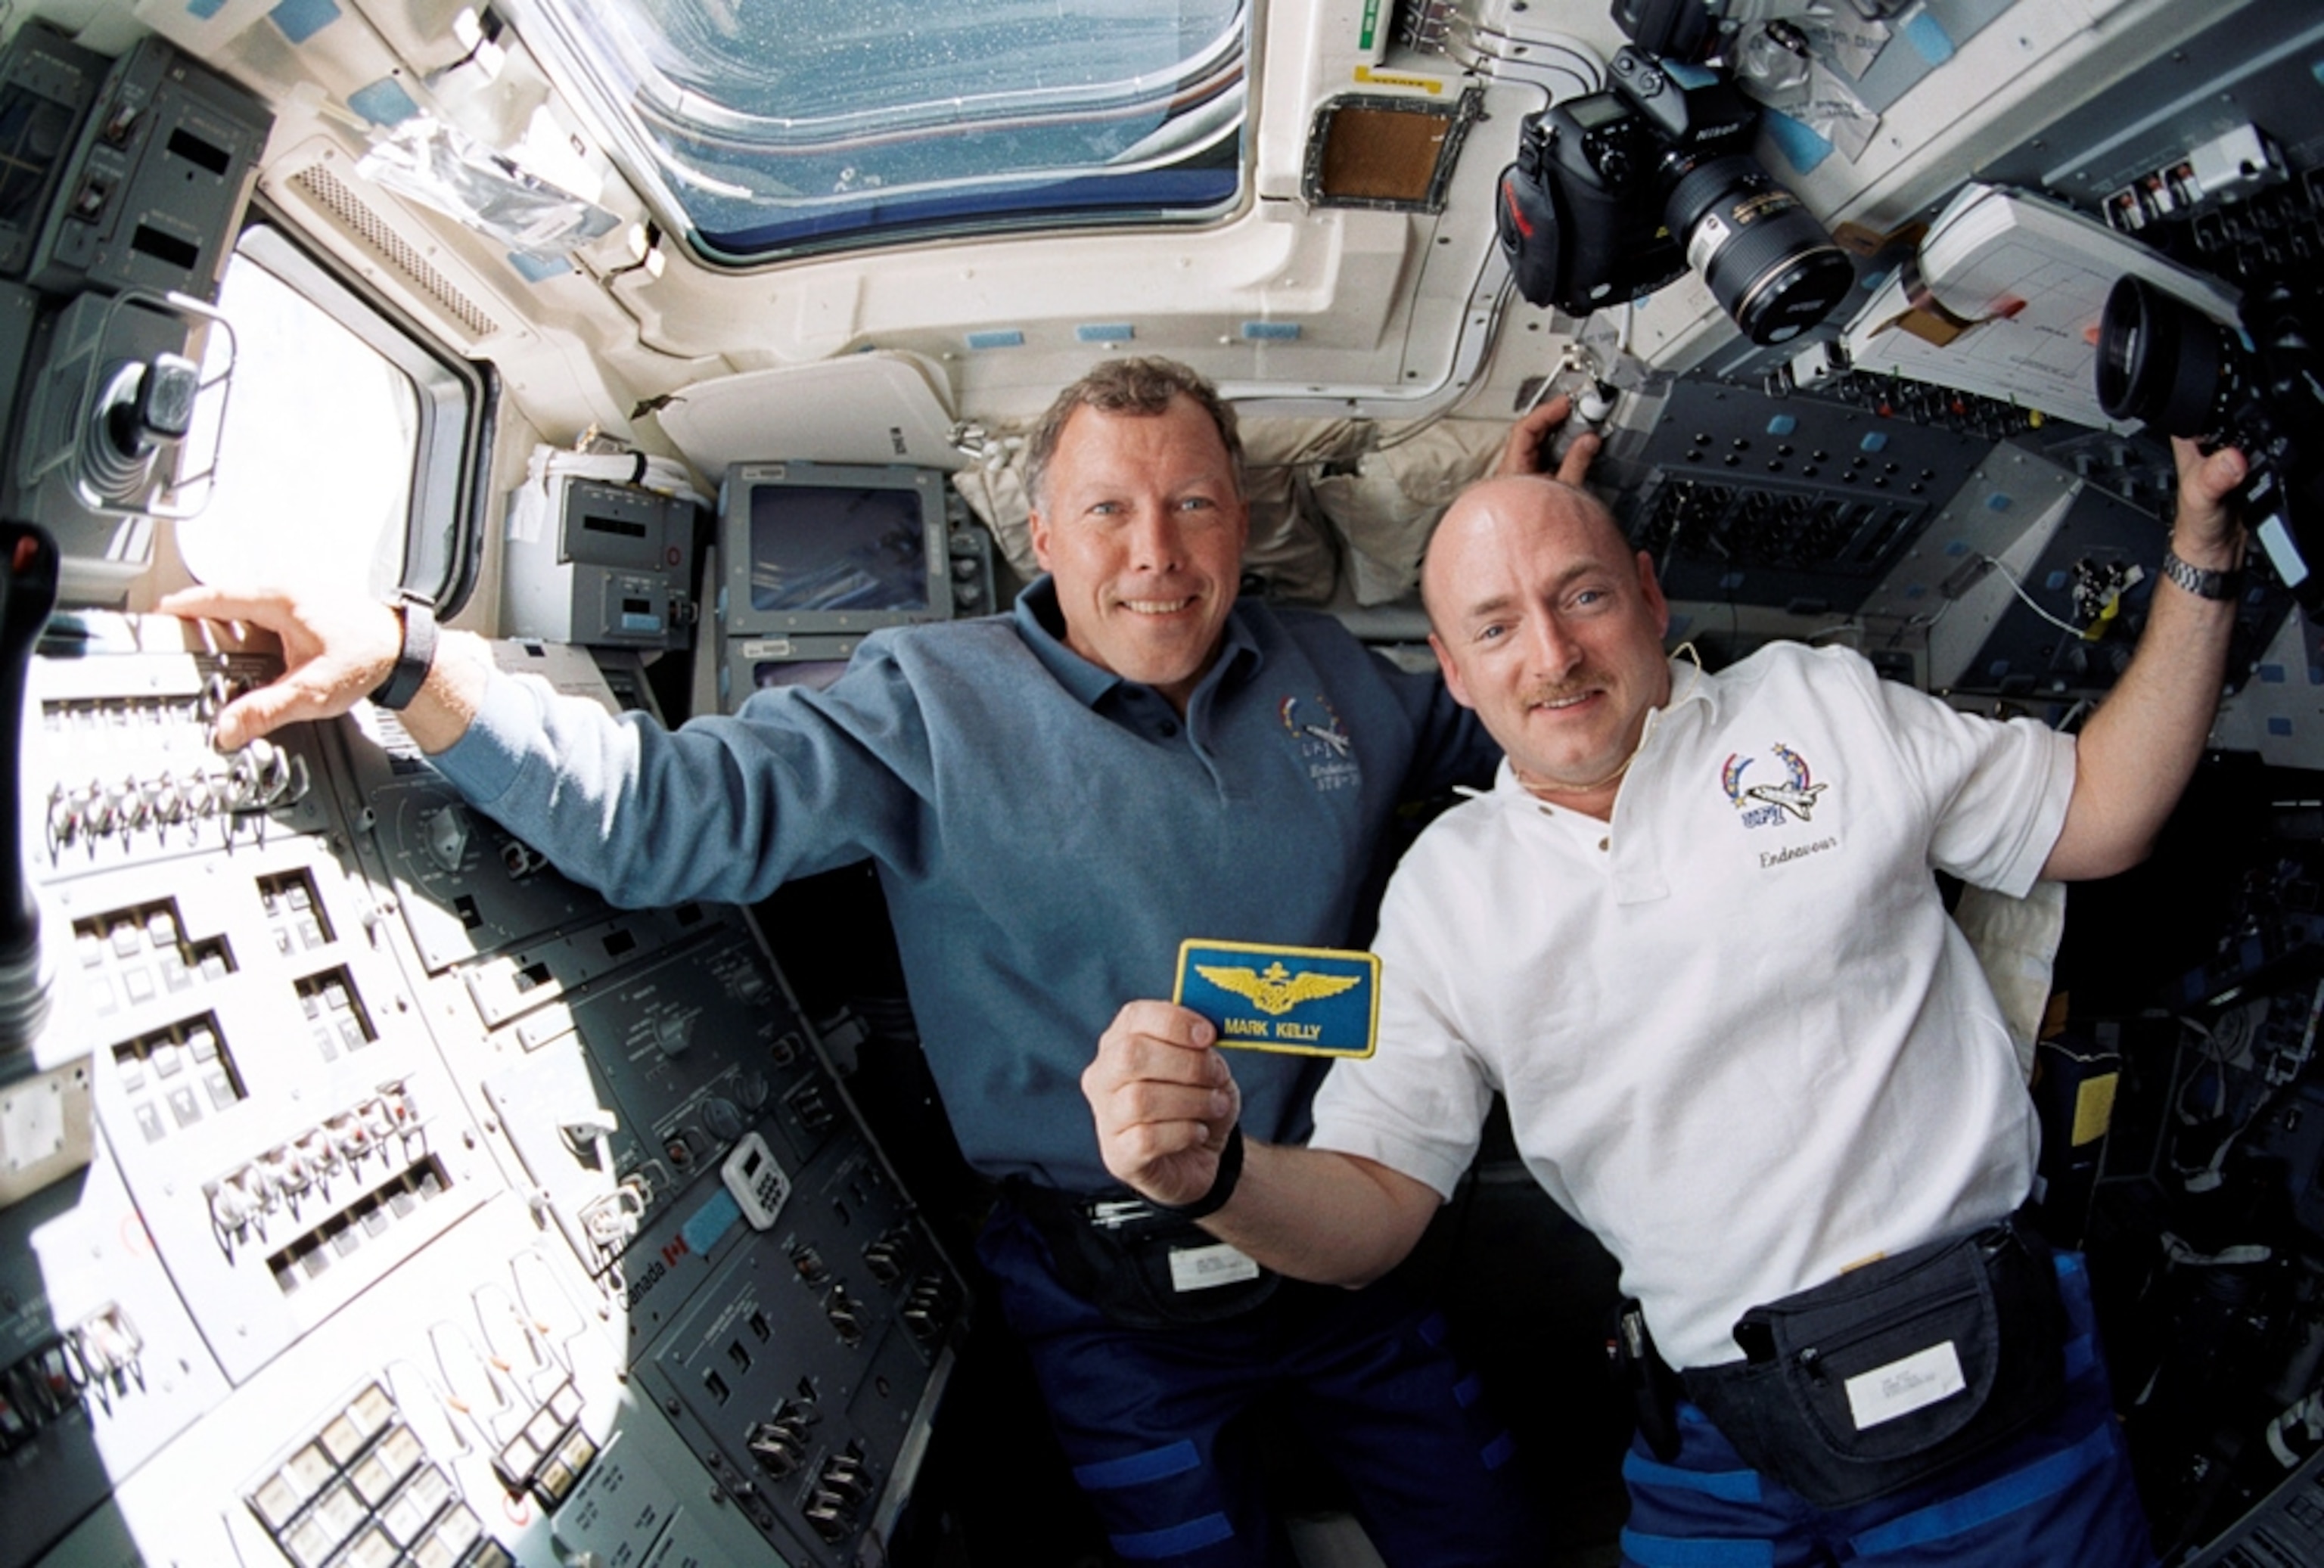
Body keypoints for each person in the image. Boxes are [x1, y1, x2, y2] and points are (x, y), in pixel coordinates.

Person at [163, 358, 1596, 1568]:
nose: (1153, 551)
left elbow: (1537, 725)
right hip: (1109, 1301)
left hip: (1341, 1253)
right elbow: (659, 817)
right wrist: (413, 663)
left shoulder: (1331, 673)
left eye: (1192, 504)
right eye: (1108, 509)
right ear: (1043, 531)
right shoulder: (929, 700)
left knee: (1501, 1543)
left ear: (1240, 522)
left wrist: (1530, 534)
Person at [1083, 438, 2254, 1565]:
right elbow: (1374, 1211)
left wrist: (2202, 550)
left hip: (1979, 1378)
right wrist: (1218, 1177)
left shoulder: (1821, 708)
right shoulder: (1449, 889)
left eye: (1580, 596)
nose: (1550, 655)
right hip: (1717, 1431)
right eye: (1496, 625)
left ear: (1650, 596)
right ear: (1452, 667)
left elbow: (2101, 812)